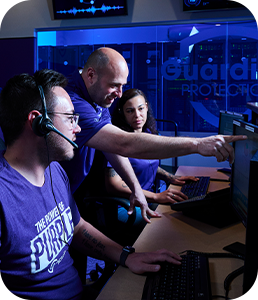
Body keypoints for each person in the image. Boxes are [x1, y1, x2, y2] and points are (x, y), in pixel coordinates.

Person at [0, 69, 182, 299]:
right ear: (39, 122)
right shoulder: (3, 196)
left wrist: (126, 256)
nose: (77, 128)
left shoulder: (55, 171)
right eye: (69, 118)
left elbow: (77, 228)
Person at [62, 46, 246, 222]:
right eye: (114, 86)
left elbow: (115, 150)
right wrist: (197, 145)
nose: (119, 94)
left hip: (72, 190)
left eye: (122, 86)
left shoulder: (95, 96)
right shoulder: (74, 102)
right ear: (91, 75)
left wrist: (136, 189)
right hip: (62, 192)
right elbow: (123, 145)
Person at [102, 88, 197, 244]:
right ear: (122, 113)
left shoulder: (149, 133)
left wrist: (171, 177)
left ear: (146, 107)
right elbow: (113, 185)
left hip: (148, 200)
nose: (137, 115)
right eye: (130, 111)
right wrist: (156, 196)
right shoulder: (118, 140)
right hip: (126, 206)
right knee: (168, 223)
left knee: (183, 211)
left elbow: (147, 165)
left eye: (140, 109)